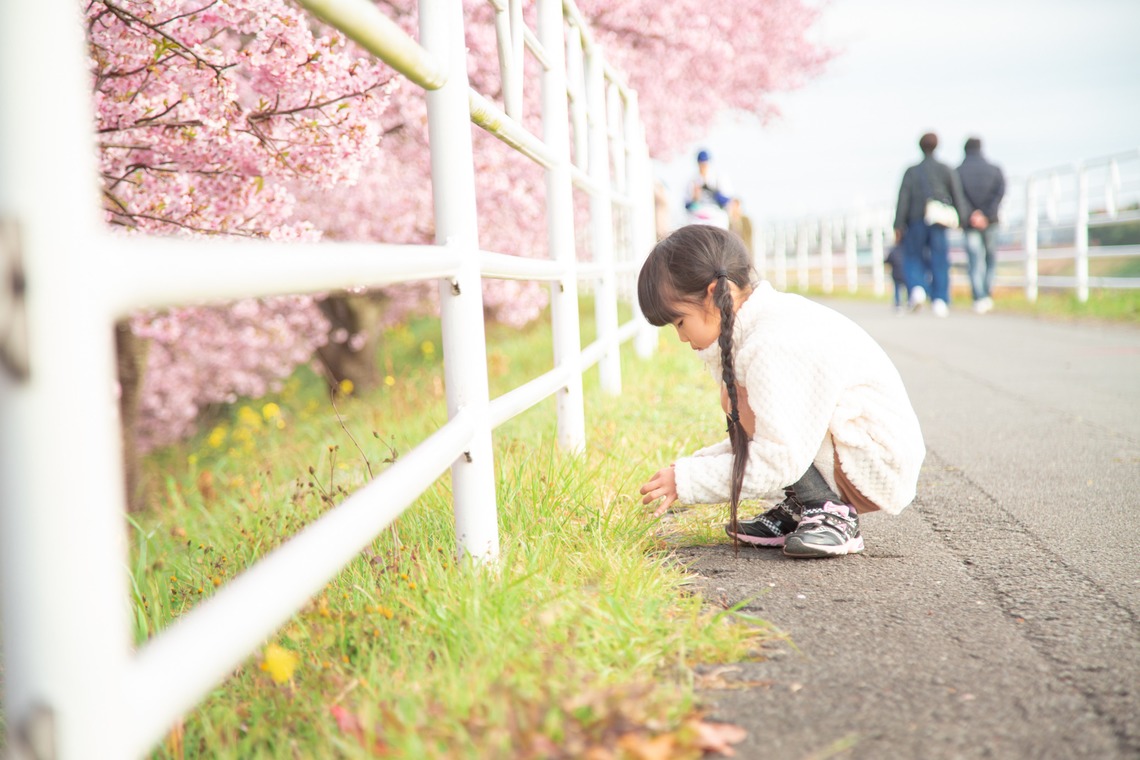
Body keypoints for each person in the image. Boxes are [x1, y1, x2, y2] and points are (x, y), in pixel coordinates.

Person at [636, 225, 926, 558]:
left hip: (876, 459)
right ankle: (803, 505)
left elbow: (777, 457)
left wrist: (687, 480)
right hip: (855, 445)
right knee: (738, 399)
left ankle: (829, 511)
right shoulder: (757, 325)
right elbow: (765, 441)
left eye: (680, 322)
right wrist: (687, 470)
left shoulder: (771, 344)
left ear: (716, 294)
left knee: (741, 401)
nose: (682, 338)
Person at [893, 132, 968, 317]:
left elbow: (903, 198)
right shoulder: (945, 169)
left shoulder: (911, 171)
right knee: (940, 259)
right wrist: (962, 218)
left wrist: (898, 224)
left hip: (915, 220)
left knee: (913, 257)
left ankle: (917, 289)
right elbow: (957, 194)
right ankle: (940, 299)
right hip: (938, 221)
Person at [957, 137, 1005, 314]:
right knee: (990, 258)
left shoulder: (958, 172)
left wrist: (972, 214)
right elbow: (999, 192)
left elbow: (957, 196)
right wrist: (986, 214)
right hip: (990, 221)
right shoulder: (994, 169)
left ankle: (979, 297)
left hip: (970, 223)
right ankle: (987, 294)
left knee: (974, 260)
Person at [686, 149, 740, 224]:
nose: (703, 166)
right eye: (701, 163)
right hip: (698, 217)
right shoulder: (693, 181)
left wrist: (713, 192)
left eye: (705, 164)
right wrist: (695, 199)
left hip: (716, 216)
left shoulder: (719, 178)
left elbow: (728, 201)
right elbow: (687, 206)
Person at [885, 242, 907, 314]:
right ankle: (909, 301)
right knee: (907, 288)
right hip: (906, 273)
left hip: (896, 274)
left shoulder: (893, 251)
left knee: (897, 289)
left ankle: (898, 304)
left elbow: (887, 261)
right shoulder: (906, 250)